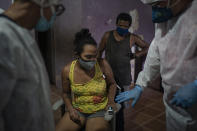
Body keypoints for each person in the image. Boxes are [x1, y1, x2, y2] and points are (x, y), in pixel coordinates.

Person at [115, 0, 197, 130]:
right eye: (153, 6)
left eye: (159, 4)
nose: (156, 11)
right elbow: (157, 47)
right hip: (173, 103)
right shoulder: (166, 17)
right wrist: (140, 85)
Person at [0, 0, 64, 131]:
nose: (53, 16)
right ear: (42, 3)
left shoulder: (20, 33)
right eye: (55, 8)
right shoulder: (3, 38)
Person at [55, 29, 117, 131]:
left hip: (99, 110)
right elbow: (66, 93)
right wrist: (70, 110)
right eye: (88, 57)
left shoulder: (103, 64)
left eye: (95, 55)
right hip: (78, 110)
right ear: (77, 55)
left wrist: (111, 101)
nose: (93, 60)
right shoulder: (67, 70)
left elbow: (112, 84)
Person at [97, 12, 149, 131]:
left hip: (124, 77)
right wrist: (99, 66)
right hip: (108, 76)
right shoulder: (107, 36)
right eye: (121, 25)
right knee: (108, 101)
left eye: (126, 26)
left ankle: (118, 125)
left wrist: (136, 55)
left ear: (129, 26)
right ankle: (110, 123)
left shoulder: (132, 37)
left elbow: (147, 47)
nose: (123, 28)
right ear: (116, 24)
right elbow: (99, 51)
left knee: (120, 104)